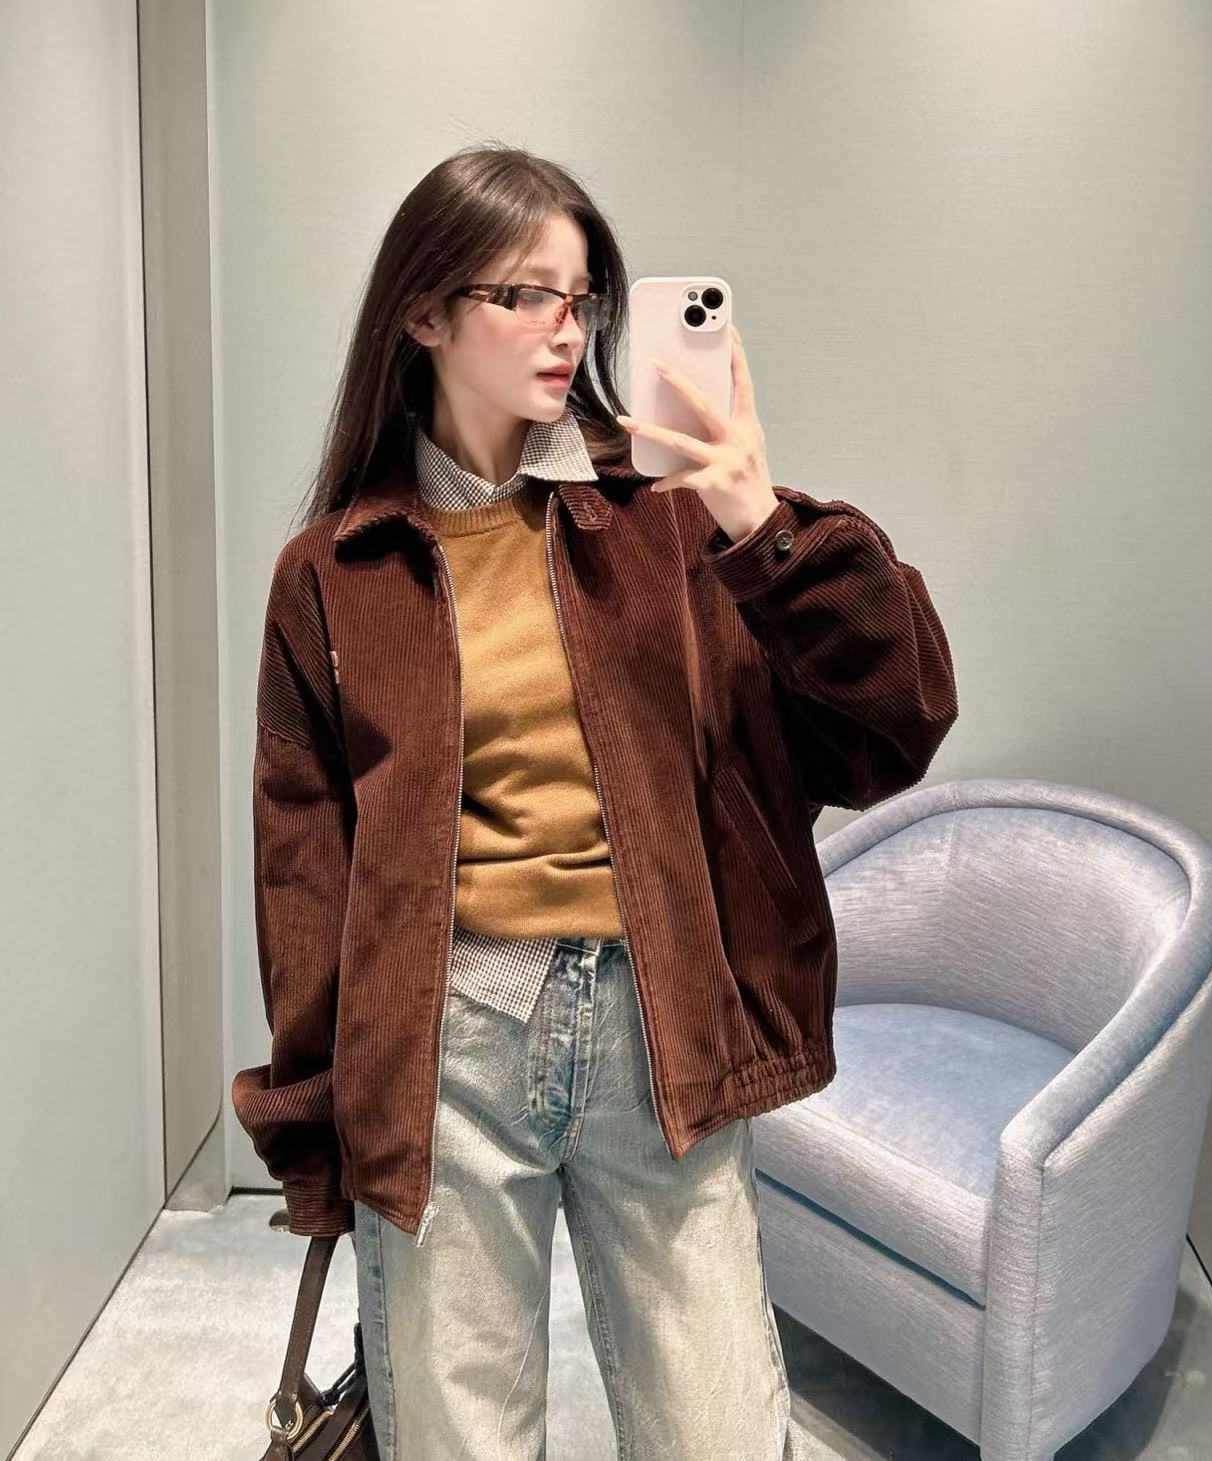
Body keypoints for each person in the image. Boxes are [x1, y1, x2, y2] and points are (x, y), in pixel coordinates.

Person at [233, 143, 958, 1459]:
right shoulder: (335, 574)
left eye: (580, 298)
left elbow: (896, 724)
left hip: (656, 1022)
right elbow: (304, 872)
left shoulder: (669, 517)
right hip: (443, 1039)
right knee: (460, 1438)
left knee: (718, 1431)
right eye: (526, 295)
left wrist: (753, 514)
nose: (566, 328)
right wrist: (317, 1128)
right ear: (425, 312)